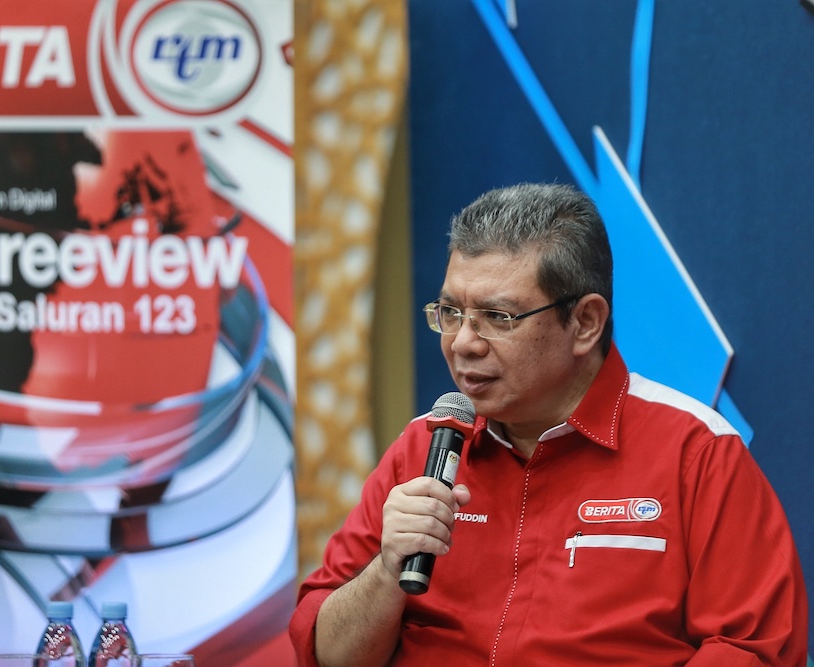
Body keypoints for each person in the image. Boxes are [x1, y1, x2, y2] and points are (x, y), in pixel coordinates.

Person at [289, 183, 808, 666]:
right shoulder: (425, 443)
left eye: (498, 316)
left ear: (585, 322)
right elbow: (326, 652)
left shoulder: (695, 451)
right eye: (450, 311)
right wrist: (385, 571)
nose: (463, 342)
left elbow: (752, 649)